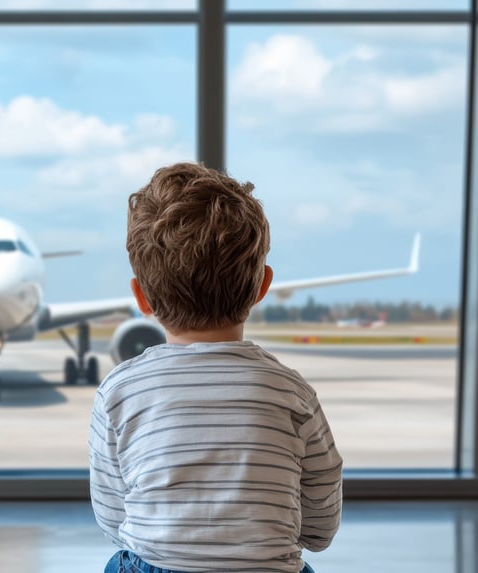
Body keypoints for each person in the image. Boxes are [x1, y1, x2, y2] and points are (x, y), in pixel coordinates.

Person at [89, 162, 342, 573]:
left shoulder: (119, 391)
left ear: (141, 297)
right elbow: (320, 527)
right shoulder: (293, 394)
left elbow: (114, 519)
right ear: (262, 286)